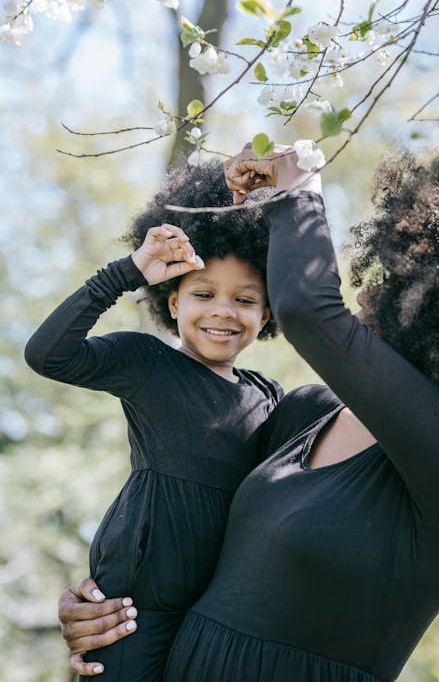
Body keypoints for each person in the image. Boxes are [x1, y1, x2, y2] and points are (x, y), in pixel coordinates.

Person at [57, 145, 439, 682]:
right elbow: (193, 513)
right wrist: (109, 603)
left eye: (399, 279)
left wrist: (299, 191)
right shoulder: (306, 412)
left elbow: (308, 310)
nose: (370, 291)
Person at [24, 160, 283, 681]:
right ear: (172, 300)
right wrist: (125, 273)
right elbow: (47, 355)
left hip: (221, 613)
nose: (223, 312)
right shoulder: (146, 362)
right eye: (203, 294)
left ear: (268, 314)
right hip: (134, 608)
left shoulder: (270, 397)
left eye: (246, 300)